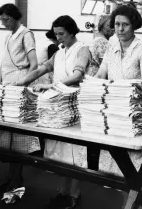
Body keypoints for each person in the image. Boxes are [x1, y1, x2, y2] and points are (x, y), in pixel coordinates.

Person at [16, 15, 92, 209]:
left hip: (74, 106)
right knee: (59, 155)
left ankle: (74, 195)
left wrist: (52, 85)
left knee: (73, 154)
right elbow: (42, 68)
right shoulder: (59, 52)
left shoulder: (81, 49)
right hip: (55, 107)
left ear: (72, 32)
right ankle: (62, 193)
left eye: (62, 34)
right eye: (56, 34)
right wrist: (22, 82)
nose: (58, 38)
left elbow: (77, 74)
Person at [95, 4, 142, 178]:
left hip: (133, 112)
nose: (120, 29)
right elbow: (101, 73)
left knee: (132, 167)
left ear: (134, 25)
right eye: (116, 24)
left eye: (125, 25)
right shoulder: (111, 45)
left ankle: (132, 201)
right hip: (112, 110)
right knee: (113, 165)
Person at [0, 3, 40, 193]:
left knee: (19, 137)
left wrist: (23, 86)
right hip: (6, 88)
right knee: (8, 136)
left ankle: (17, 181)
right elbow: (3, 63)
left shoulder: (25, 34)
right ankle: (10, 178)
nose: (3, 23)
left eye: (4, 19)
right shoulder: (9, 36)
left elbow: (34, 64)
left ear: (12, 17)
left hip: (19, 88)